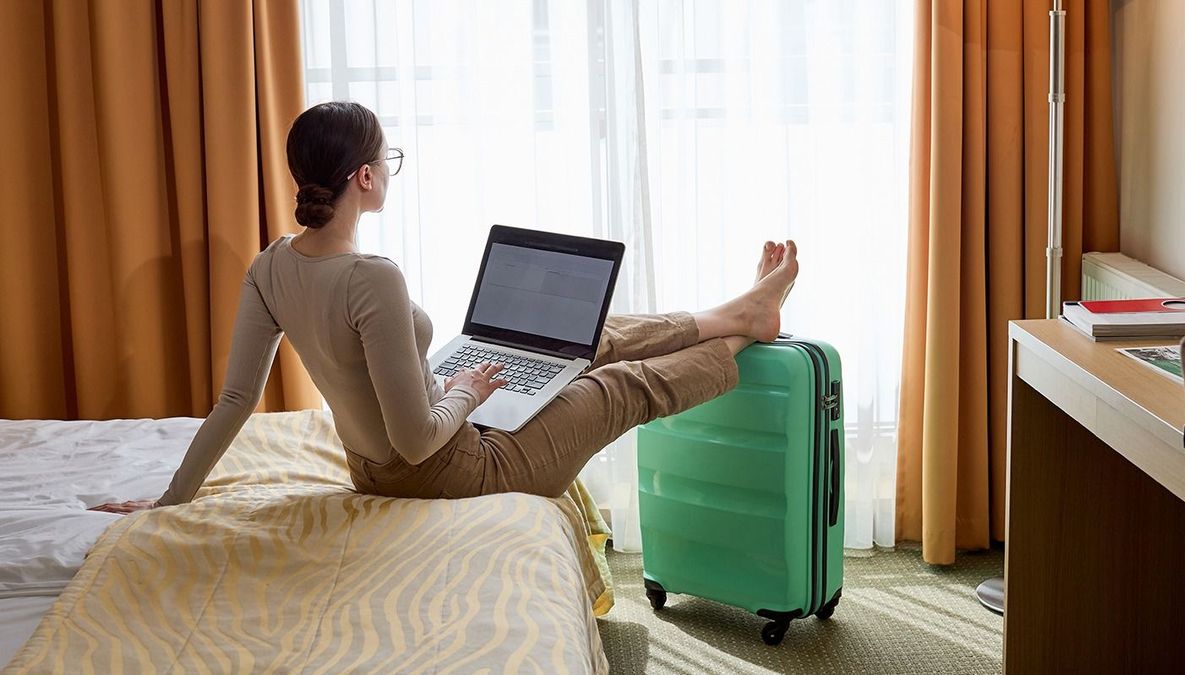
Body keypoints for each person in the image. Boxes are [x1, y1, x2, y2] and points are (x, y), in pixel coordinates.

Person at [91, 101, 798, 514]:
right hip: (453, 469)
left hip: (370, 469)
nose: (388, 173)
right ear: (364, 177)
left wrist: (171, 500)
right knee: (615, 384)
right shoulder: (373, 277)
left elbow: (235, 400)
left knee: (588, 334)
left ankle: (736, 313)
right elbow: (420, 438)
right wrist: (463, 390)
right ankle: (744, 334)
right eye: (386, 161)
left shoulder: (271, 265)